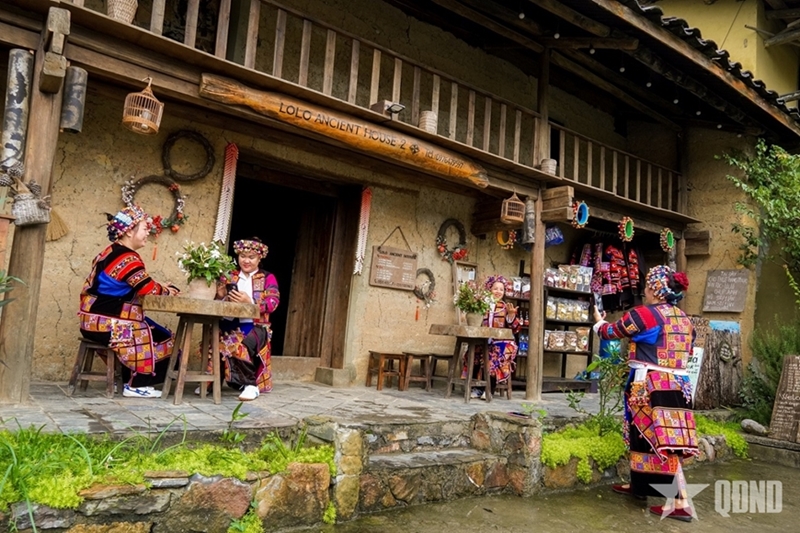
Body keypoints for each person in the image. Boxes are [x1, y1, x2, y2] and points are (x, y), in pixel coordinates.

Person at [592, 264, 698, 522]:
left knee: (663, 442)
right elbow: (689, 349)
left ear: (655, 289)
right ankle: (638, 487)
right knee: (645, 437)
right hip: (678, 386)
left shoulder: (646, 315)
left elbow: (612, 332)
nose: (644, 291)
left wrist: (599, 322)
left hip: (651, 386)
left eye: (648, 287)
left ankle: (681, 501)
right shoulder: (685, 320)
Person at [78, 206, 179, 398]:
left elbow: (137, 283)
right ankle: (135, 384)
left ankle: (125, 380)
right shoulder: (127, 258)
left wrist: (158, 286)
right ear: (129, 231)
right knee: (156, 336)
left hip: (94, 320)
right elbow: (148, 289)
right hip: (108, 323)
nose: (147, 233)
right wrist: (169, 290)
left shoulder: (110, 252)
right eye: (143, 229)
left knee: (157, 330)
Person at [211, 237, 279, 401]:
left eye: (251, 257)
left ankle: (251, 385)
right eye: (242, 256)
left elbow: (273, 303)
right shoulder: (230, 276)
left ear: (259, 258)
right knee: (212, 341)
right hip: (229, 324)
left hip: (256, 327)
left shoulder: (267, 277)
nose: (246, 261)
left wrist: (251, 302)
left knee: (238, 343)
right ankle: (212, 381)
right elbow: (216, 303)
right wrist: (219, 296)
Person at [469, 275, 520, 400]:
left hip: (503, 342)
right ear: (489, 289)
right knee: (474, 353)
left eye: (501, 289)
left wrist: (511, 316)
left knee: (493, 356)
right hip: (485, 341)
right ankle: (477, 387)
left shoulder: (506, 307)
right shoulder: (482, 305)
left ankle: (489, 389)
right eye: (495, 288)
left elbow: (515, 328)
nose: (498, 292)